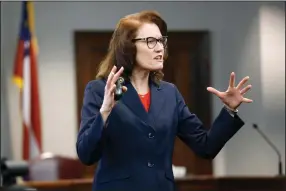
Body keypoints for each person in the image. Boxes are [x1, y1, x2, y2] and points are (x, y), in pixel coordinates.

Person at [76, 10, 253, 191]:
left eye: (161, 41)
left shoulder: (169, 93)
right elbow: (86, 155)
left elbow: (205, 146)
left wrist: (229, 111)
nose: (160, 48)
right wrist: (104, 112)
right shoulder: (100, 90)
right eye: (151, 42)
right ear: (128, 47)